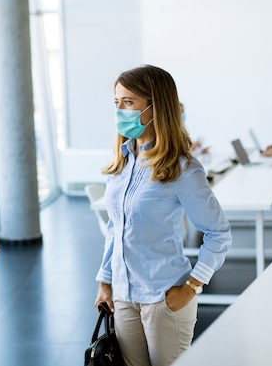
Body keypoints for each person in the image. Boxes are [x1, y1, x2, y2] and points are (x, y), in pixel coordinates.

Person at [94, 65, 232, 366]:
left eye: (129, 102)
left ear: (156, 106)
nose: (120, 111)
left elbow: (219, 233)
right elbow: (115, 228)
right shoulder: (122, 163)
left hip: (164, 297)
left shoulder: (182, 168)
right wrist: (105, 281)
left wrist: (193, 286)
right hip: (123, 296)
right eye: (117, 103)